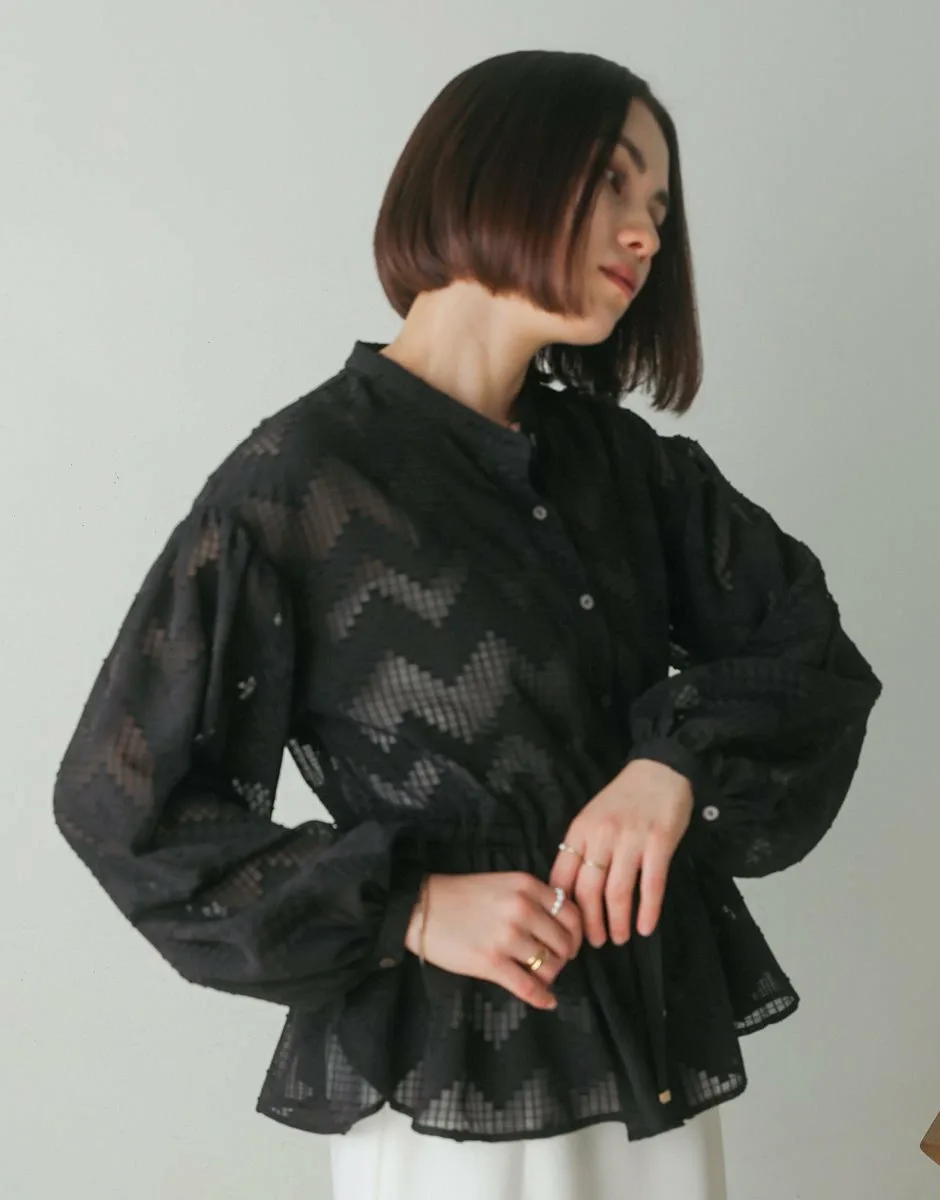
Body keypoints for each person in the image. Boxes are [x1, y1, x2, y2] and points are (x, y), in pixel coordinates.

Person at [52, 49, 882, 1200]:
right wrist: (413, 906)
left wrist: (673, 765)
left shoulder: (622, 466)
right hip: (452, 1094)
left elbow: (806, 648)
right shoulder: (302, 483)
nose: (644, 234)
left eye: (659, 208)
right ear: (495, 169)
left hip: (646, 1058)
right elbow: (120, 802)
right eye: (613, 182)